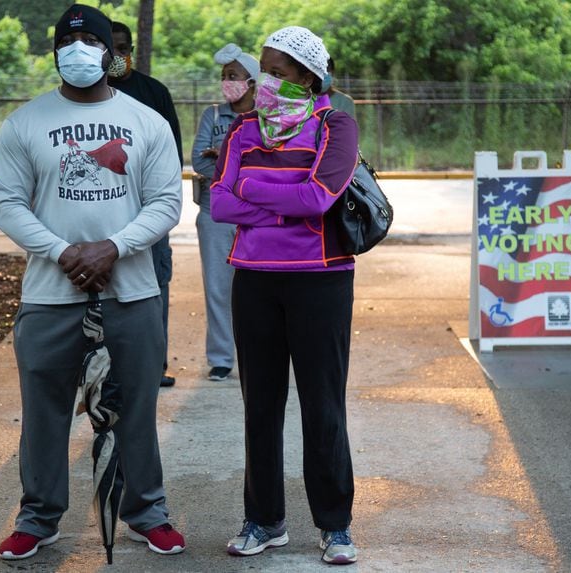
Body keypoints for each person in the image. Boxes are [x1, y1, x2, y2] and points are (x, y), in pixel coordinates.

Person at [0, 4, 185, 561]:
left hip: (132, 293)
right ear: (55, 53)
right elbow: (6, 202)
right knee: (44, 410)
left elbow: (167, 202)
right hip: (50, 294)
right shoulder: (25, 122)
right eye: (67, 41)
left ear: (111, 54)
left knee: (137, 407)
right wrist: (63, 251)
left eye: (90, 41)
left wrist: (113, 248)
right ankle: (38, 516)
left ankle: (148, 513)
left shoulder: (145, 121)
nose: (78, 50)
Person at [210, 26, 359, 565]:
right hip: (254, 278)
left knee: (323, 406)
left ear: (308, 77)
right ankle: (264, 521)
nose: (266, 80)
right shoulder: (244, 130)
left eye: (278, 70)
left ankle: (335, 525)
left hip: (320, 278)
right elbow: (219, 203)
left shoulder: (335, 125)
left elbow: (319, 197)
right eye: (263, 69)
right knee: (261, 406)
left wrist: (252, 188)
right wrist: (277, 201)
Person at [108, 21, 182, 388]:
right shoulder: (86, 94)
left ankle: (153, 366)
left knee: (153, 289)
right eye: (112, 48)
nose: (118, 57)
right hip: (102, 213)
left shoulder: (153, 92)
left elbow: (173, 158)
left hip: (147, 216)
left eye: (124, 48)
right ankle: (96, 366)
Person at [191, 43, 258, 382]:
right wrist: (243, 160)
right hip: (214, 213)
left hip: (255, 214)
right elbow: (198, 161)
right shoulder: (213, 116)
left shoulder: (267, 117)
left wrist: (225, 156)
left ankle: (257, 353)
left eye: (233, 76)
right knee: (218, 288)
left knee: (257, 288)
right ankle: (220, 358)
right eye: (223, 76)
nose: (226, 82)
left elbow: (272, 164)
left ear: (252, 81)